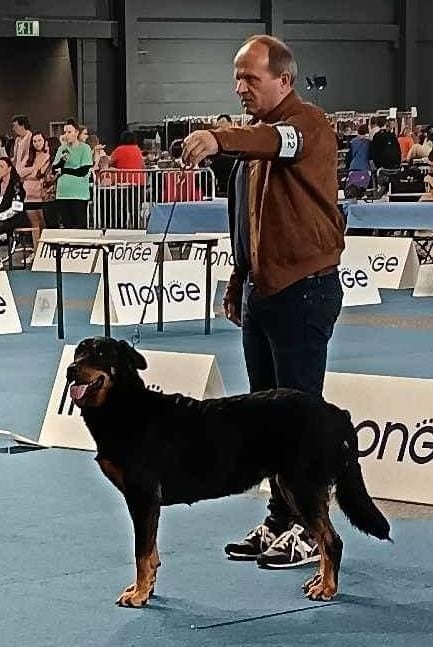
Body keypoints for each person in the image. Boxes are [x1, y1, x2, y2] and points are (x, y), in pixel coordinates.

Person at [181, 34, 345, 569]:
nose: (239, 86)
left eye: (250, 77)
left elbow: (279, 141)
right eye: (236, 77)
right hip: (262, 290)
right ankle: (280, 517)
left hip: (305, 290)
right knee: (267, 420)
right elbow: (249, 221)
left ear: (285, 80)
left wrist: (218, 138)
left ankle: (311, 527)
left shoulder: (308, 126)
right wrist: (237, 278)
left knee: (299, 418)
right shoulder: (254, 143)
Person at [51, 119, 93, 228]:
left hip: (79, 194)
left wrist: (64, 171)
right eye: (65, 132)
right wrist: (62, 161)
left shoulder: (85, 148)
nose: (66, 135)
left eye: (69, 132)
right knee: (66, 226)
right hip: (63, 193)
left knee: (79, 226)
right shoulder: (62, 149)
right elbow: (54, 168)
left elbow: (83, 171)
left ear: (76, 133)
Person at [18, 131, 51, 251]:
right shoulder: (28, 157)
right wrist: (32, 169)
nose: (37, 143)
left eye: (39, 141)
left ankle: (45, 250)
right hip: (28, 196)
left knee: (43, 224)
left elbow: (39, 174)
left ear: (44, 141)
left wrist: (29, 174)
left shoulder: (46, 156)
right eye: (34, 141)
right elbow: (20, 173)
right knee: (34, 226)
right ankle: (36, 250)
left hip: (40, 195)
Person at [209, 114, 237, 196]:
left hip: (235, 185)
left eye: (225, 127)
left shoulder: (238, 141)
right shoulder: (215, 145)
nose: (222, 130)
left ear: (231, 124)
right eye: (220, 128)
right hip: (221, 188)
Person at [345, 123, 371, 197]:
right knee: (361, 190)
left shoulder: (353, 142)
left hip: (353, 168)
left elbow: (349, 157)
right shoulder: (368, 143)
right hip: (365, 168)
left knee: (352, 189)